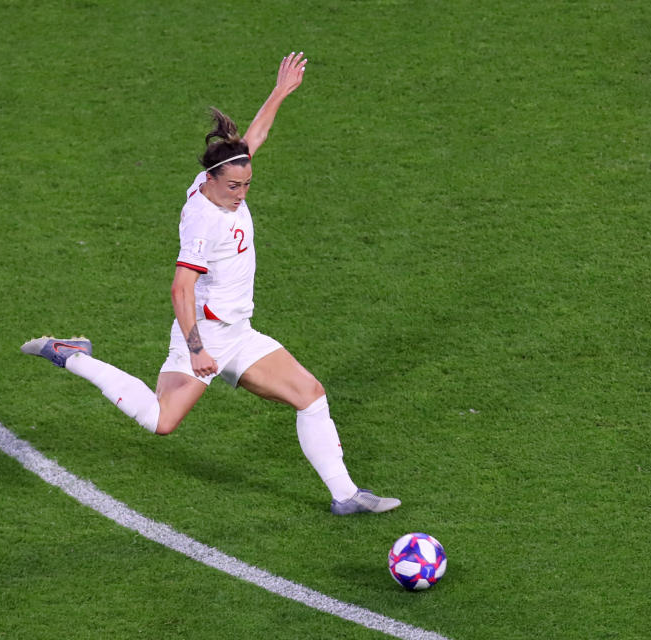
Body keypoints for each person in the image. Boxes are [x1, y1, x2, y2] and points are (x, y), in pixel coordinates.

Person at [22, 52, 399, 515]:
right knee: (161, 421)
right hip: (204, 336)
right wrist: (197, 349)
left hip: (238, 332)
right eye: (235, 187)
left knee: (310, 395)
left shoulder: (219, 176)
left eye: (248, 184)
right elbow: (180, 288)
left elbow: (252, 139)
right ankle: (73, 357)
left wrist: (280, 91)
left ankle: (346, 495)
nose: (243, 194)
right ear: (214, 180)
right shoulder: (204, 221)